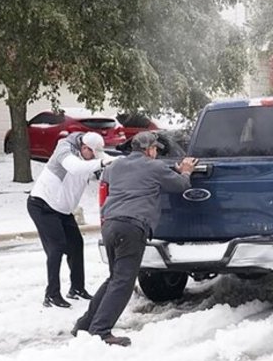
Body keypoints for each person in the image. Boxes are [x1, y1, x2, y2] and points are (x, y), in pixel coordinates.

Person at [72, 131, 198, 346]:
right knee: (123, 282)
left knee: (114, 278)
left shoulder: (115, 166)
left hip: (110, 224)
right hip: (132, 227)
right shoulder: (155, 167)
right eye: (155, 149)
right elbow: (181, 186)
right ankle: (101, 331)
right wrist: (185, 171)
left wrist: (170, 170)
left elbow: (131, 175)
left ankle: (84, 324)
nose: (156, 152)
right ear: (149, 150)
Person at [27, 131, 115, 308]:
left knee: (76, 245)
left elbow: (105, 159)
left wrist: (117, 162)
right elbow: (75, 167)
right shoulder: (64, 149)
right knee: (56, 247)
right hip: (42, 205)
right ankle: (51, 294)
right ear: (84, 147)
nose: (93, 158)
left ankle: (77, 288)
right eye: (91, 154)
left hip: (63, 210)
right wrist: (100, 162)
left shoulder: (90, 153)